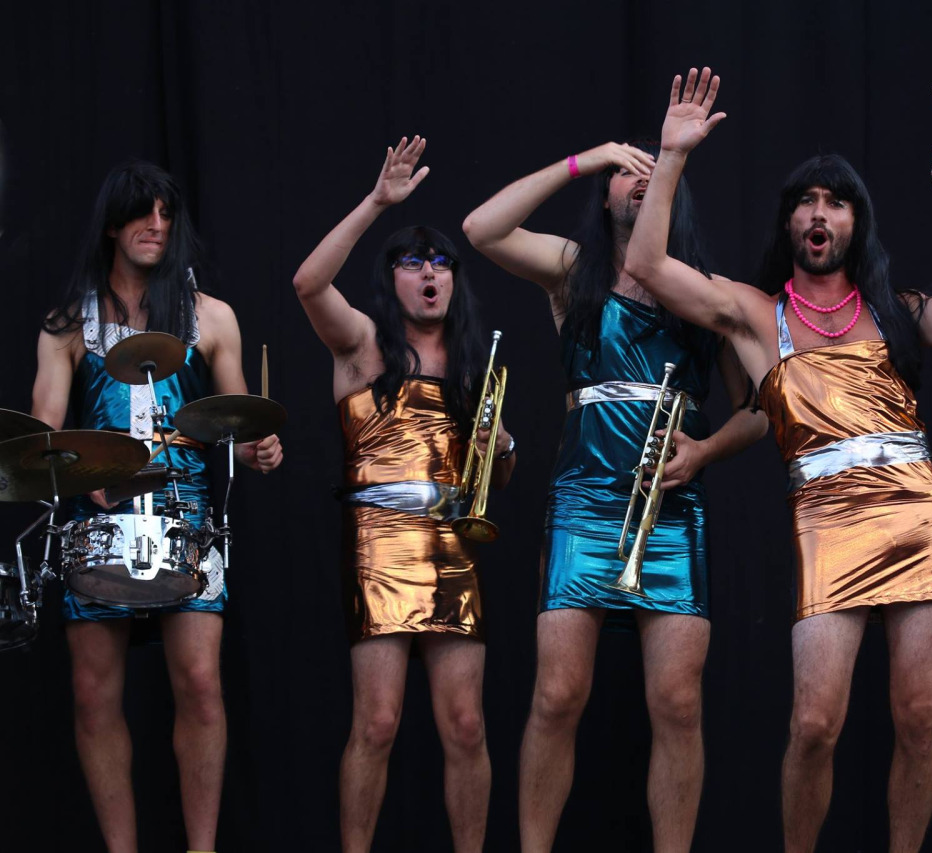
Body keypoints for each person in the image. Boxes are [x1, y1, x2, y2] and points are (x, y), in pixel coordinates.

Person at [623, 68, 932, 853]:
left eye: (835, 201)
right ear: (789, 221)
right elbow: (651, 267)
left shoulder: (897, 311)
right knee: (816, 722)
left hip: (914, 508)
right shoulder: (759, 313)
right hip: (827, 516)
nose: (819, 212)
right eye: (806, 200)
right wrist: (672, 158)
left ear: (856, 222)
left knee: (920, 713)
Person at [463, 121, 766, 848]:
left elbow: (763, 408)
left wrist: (705, 451)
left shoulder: (706, 291)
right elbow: (481, 228)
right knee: (558, 694)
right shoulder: (575, 270)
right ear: (605, 195)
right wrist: (583, 158)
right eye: (625, 171)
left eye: (652, 169)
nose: (638, 177)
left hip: (674, 505)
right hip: (585, 501)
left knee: (678, 702)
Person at [31, 160, 283, 853]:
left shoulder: (211, 316)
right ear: (113, 225)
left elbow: (241, 422)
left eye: (168, 214)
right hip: (97, 514)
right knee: (92, 693)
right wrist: (85, 480)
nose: (157, 225)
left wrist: (261, 450)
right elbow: (42, 432)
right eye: (143, 212)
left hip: (187, 513)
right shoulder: (67, 323)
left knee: (201, 684)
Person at [291, 136, 512, 853]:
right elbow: (307, 283)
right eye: (413, 263)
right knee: (377, 722)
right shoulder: (363, 344)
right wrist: (377, 203)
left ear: (454, 283)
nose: (429, 274)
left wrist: (502, 448)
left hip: (453, 542)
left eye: (441, 263)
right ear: (392, 280)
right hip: (380, 537)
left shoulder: (474, 369)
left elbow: (494, 484)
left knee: (467, 725)